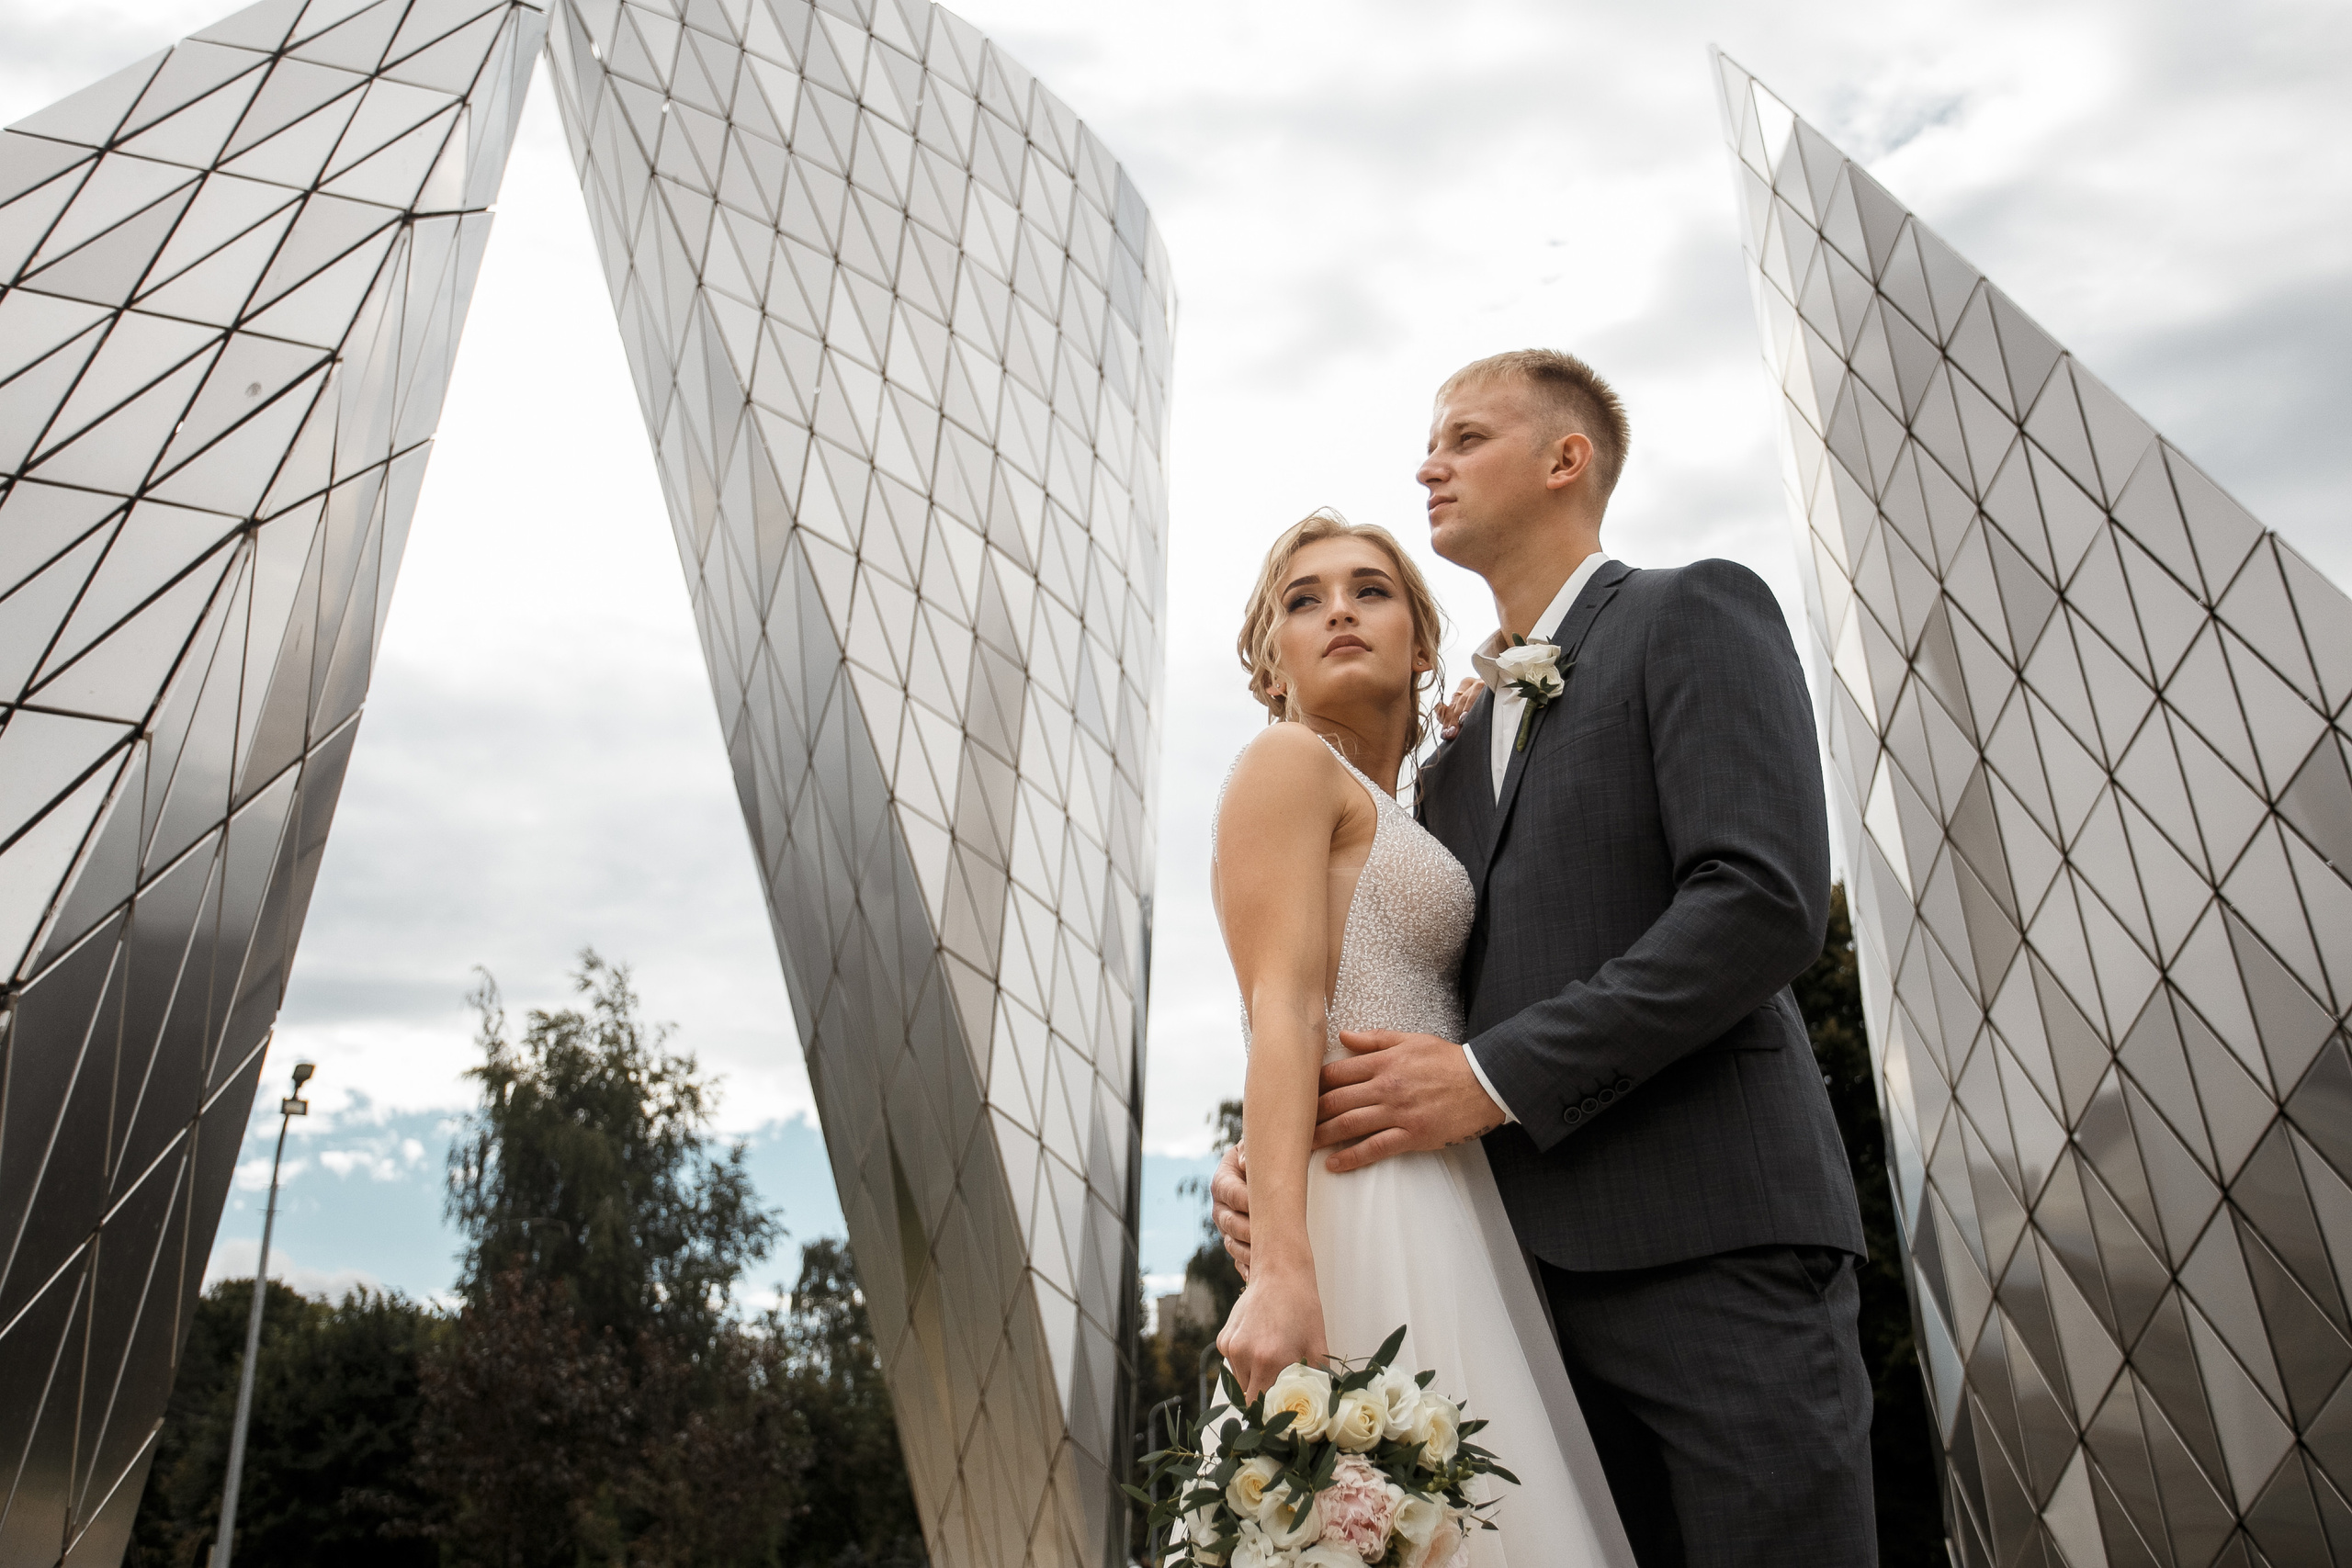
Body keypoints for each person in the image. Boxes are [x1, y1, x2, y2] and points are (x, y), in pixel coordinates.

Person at [1213, 350, 1874, 1568]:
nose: (1429, 463)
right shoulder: (1451, 773)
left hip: (1710, 1237)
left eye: (1463, 438)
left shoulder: (1692, 610)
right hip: (1508, 1281)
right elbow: (1360, 982)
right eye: (1429, 443)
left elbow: (1760, 901)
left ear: (1564, 459)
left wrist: (1491, 1078)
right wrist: (1269, 1156)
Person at [1209, 510, 1634, 1568]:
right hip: (1362, 1194)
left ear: (1423, 640)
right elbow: (1284, 1011)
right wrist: (1281, 1267)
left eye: (1371, 589)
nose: (1337, 610)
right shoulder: (1286, 764)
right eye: (1301, 601)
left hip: (1456, 1189)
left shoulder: (1411, 806)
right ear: (1272, 668)